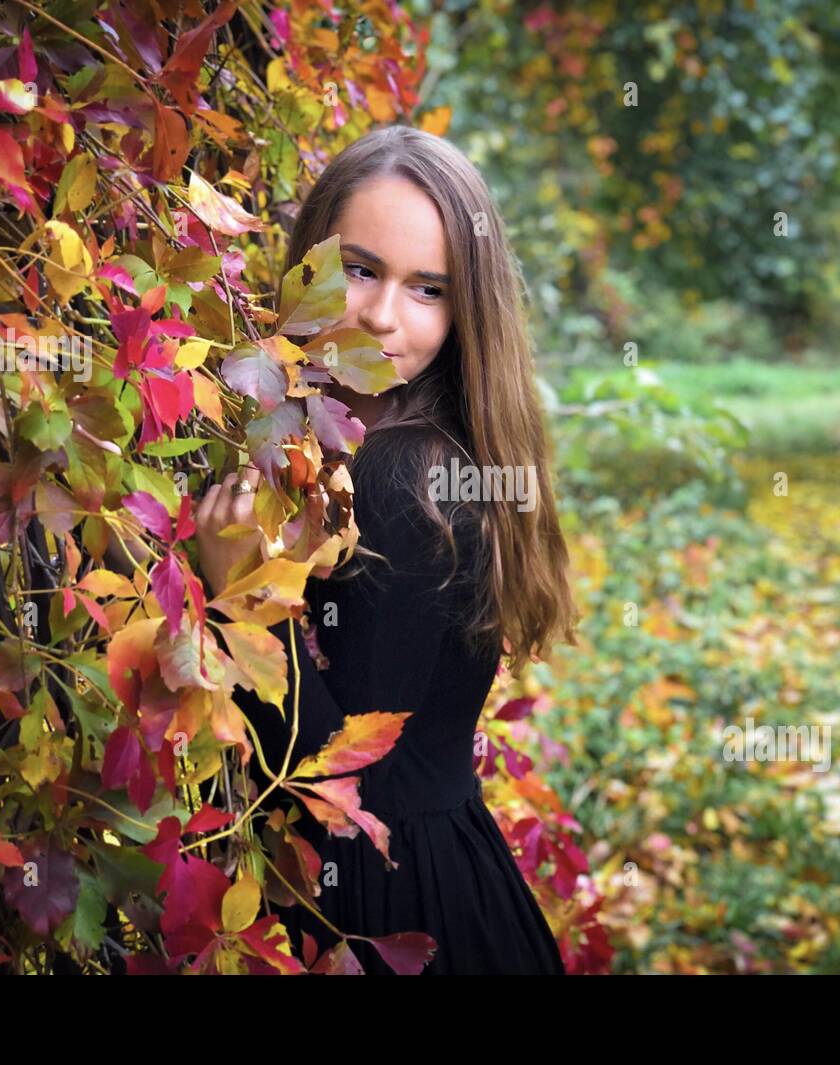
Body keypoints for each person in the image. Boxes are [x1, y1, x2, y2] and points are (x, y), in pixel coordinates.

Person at [194, 125, 579, 975]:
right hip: (447, 888)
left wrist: (245, 605)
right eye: (360, 269)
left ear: (464, 309)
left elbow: (341, 786)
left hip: (391, 913)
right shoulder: (425, 445)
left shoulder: (404, 478)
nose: (379, 315)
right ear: (309, 258)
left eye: (428, 289)